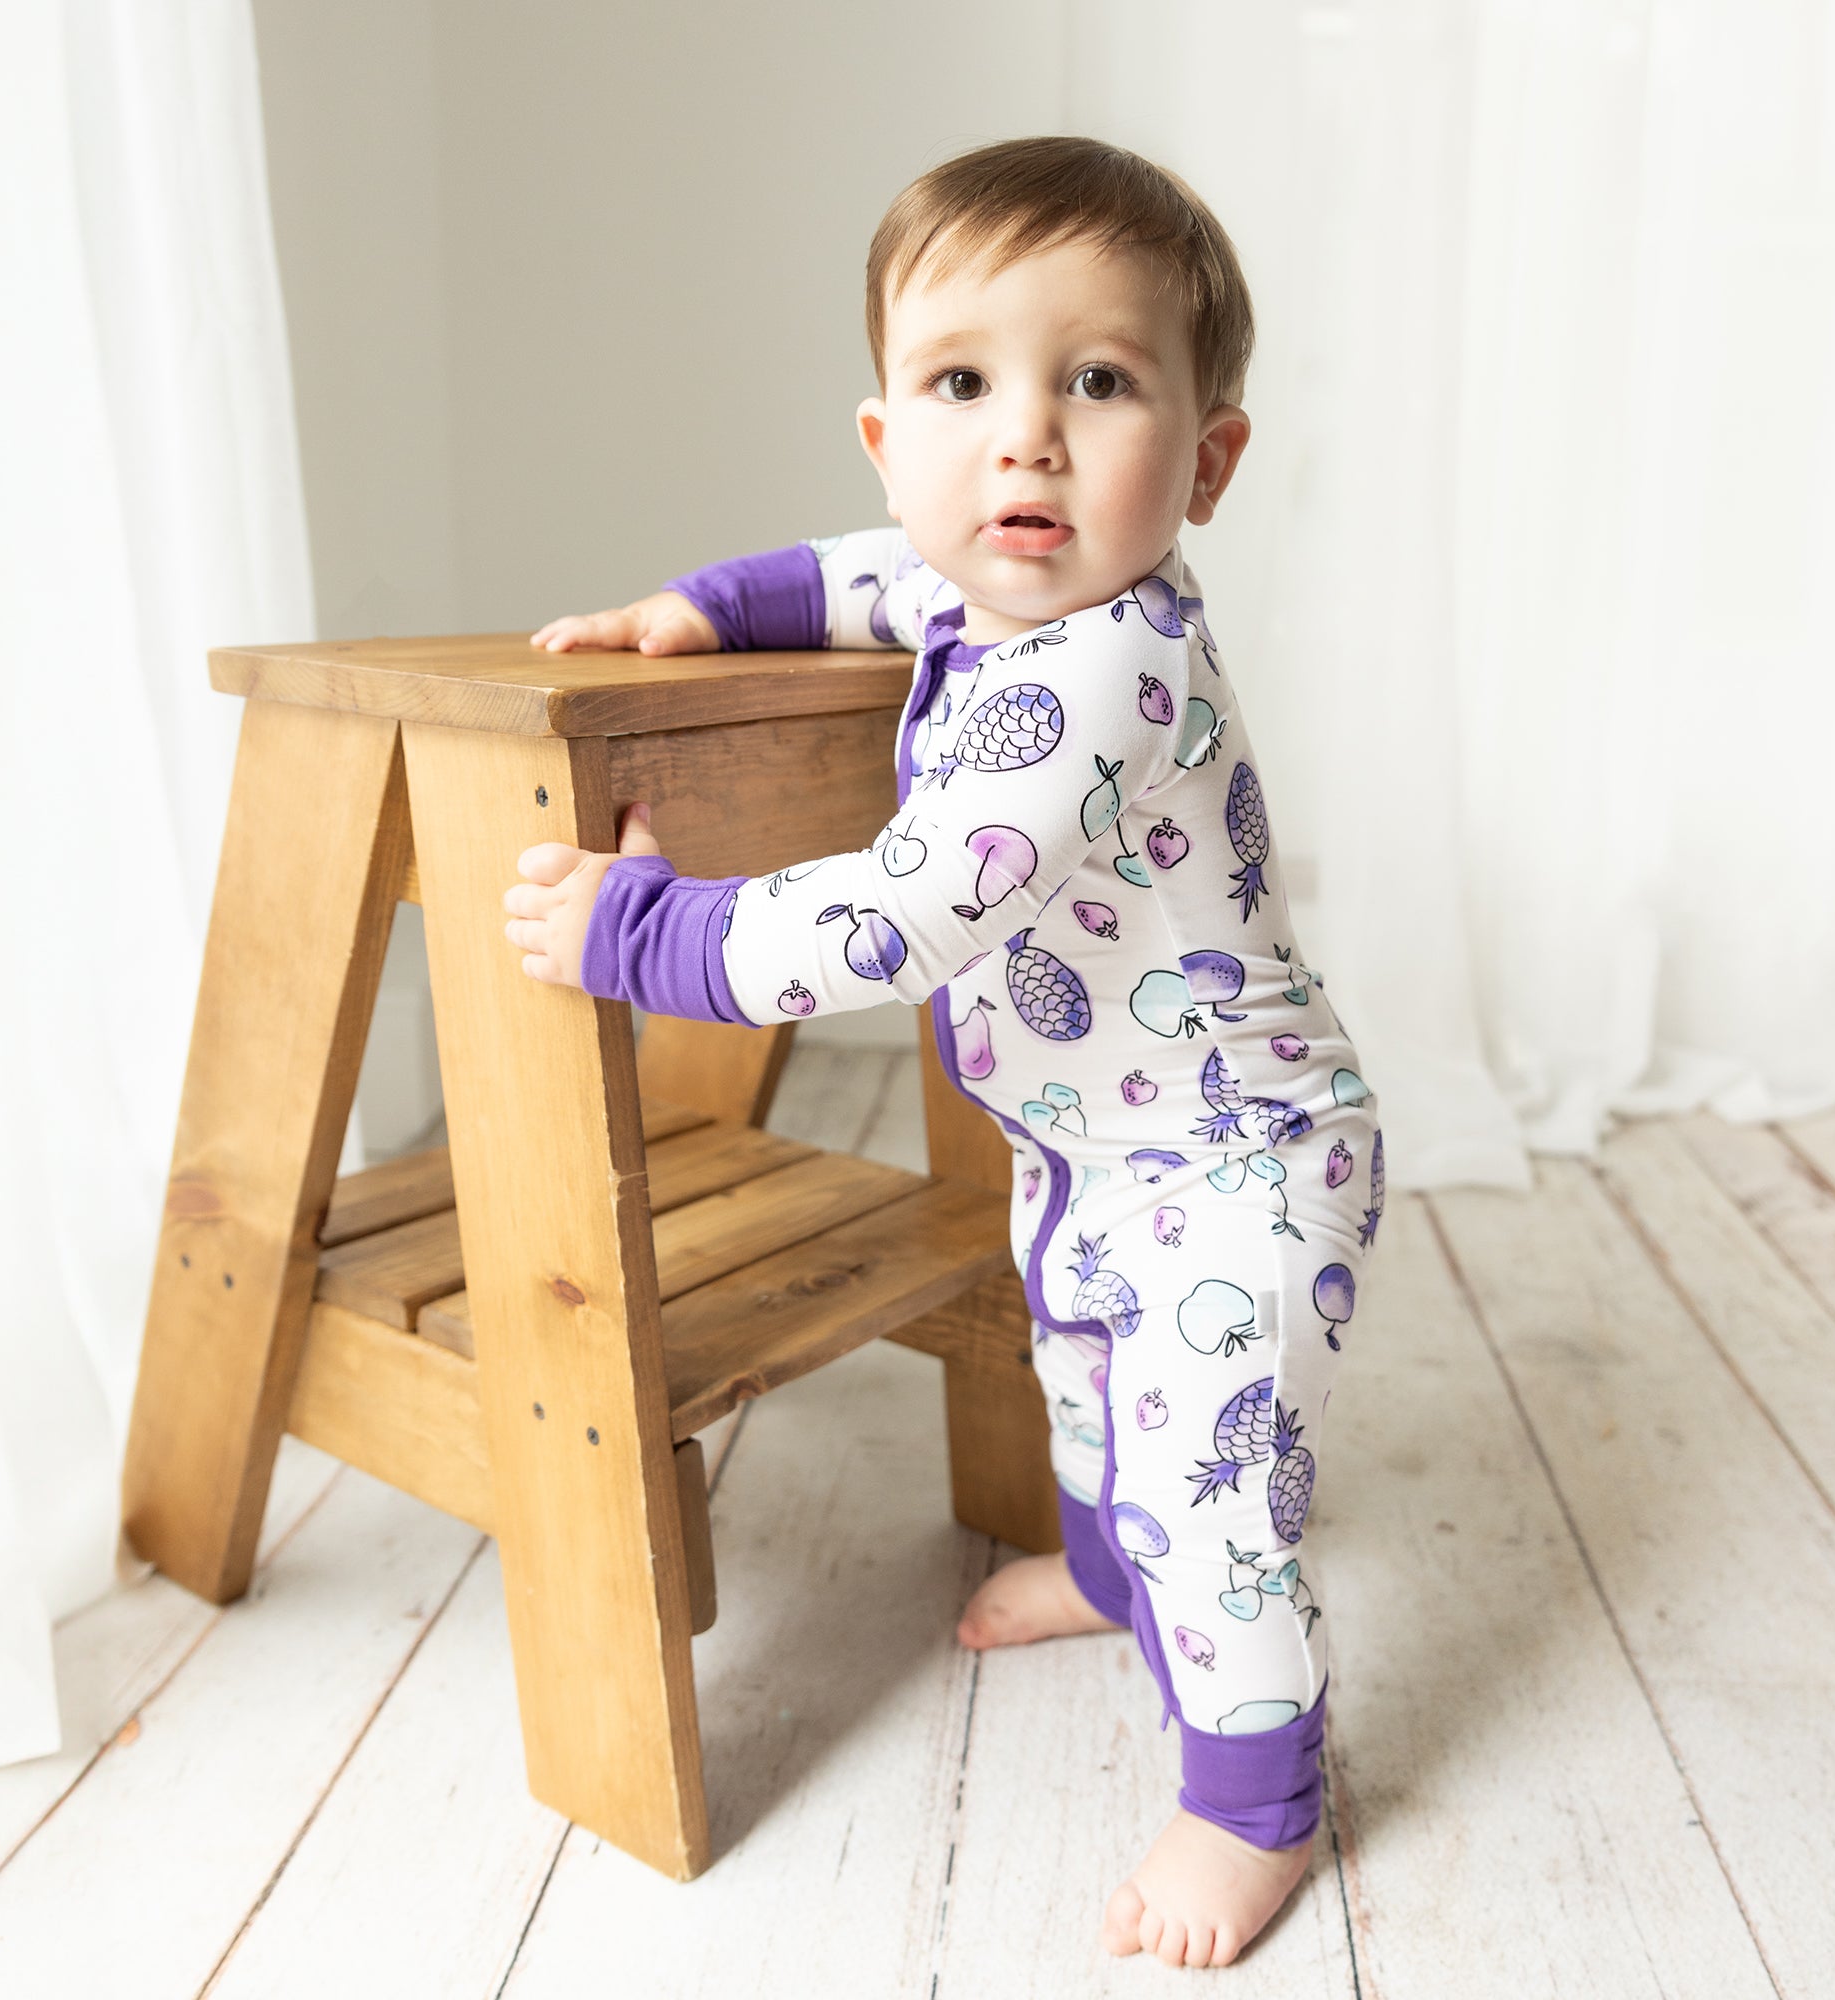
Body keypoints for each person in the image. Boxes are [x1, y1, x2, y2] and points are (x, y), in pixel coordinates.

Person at [505, 135, 1385, 1971]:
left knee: (1210, 1485)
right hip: (1102, 1145)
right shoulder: (988, 592)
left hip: (1240, 1161)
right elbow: (865, 580)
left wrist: (637, 932)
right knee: (1083, 1379)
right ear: (890, 435)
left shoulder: (1096, 678)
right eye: (963, 385)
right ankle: (1111, 1574)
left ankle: (1255, 1803)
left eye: (1101, 382)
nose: (1026, 441)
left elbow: (891, 921)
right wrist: (708, 604)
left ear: (1208, 460)